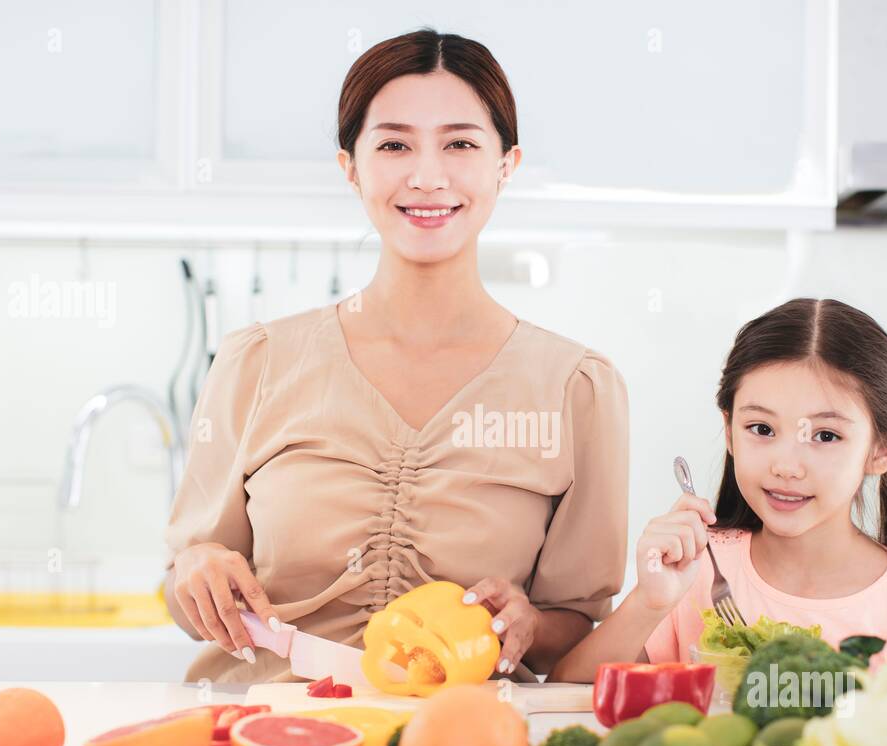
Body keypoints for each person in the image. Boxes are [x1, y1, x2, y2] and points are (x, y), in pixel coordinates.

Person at [163, 29, 629, 684]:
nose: (427, 176)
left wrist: (528, 621)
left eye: (461, 143)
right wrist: (194, 571)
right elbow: (184, 593)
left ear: (507, 164)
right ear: (350, 166)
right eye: (393, 144)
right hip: (264, 741)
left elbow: (572, 625)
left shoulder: (577, 388)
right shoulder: (258, 361)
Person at [550, 297, 887, 683]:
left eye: (824, 436)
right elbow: (568, 695)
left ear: (883, 449)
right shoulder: (694, 577)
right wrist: (649, 603)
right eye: (762, 429)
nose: (785, 466)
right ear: (729, 431)